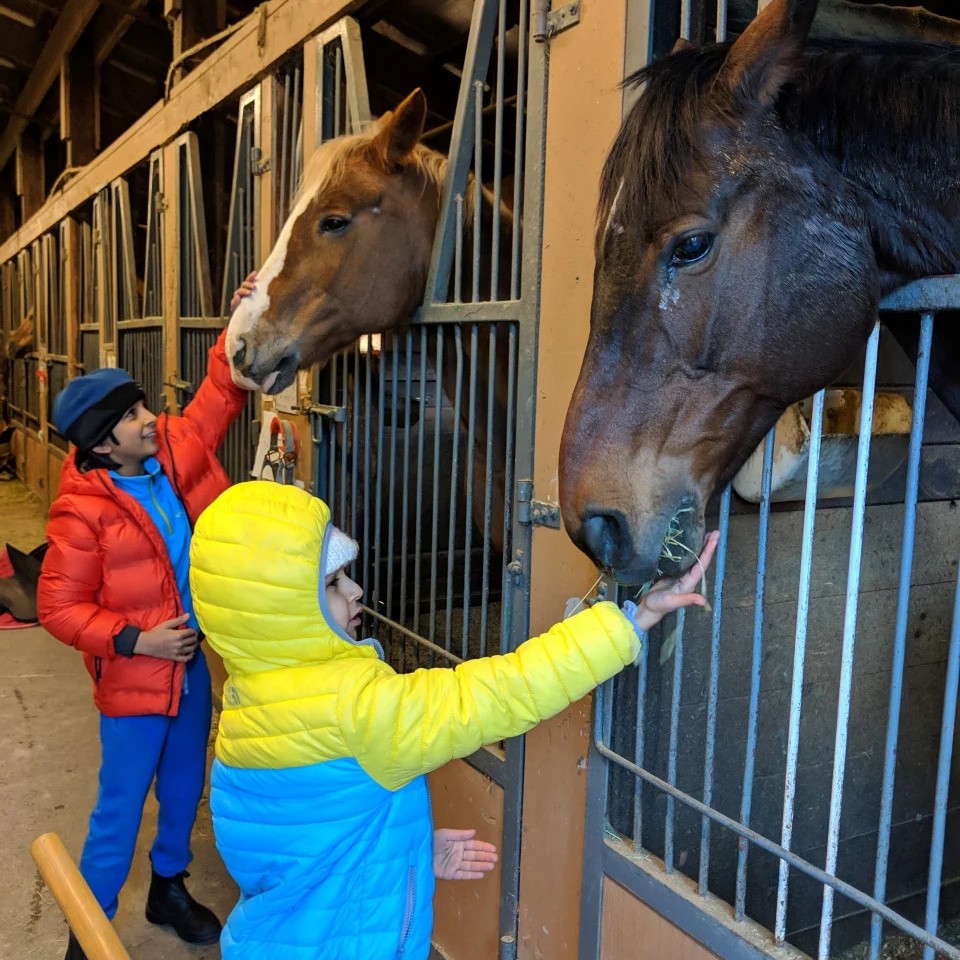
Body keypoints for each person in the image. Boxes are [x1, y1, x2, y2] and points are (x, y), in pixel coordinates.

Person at [190, 480, 719, 959]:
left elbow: (297, 853)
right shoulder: (359, 712)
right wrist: (633, 620)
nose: (354, 591)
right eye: (332, 582)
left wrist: (406, 852)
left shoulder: (245, 705)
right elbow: (502, 692)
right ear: (285, 613)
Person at [38, 322, 253, 960]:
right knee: (119, 810)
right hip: (135, 681)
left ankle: (168, 887)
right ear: (105, 444)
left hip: (188, 670)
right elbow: (56, 607)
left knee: (186, 786)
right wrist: (134, 640)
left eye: (142, 406)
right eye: (132, 415)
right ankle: (89, 931)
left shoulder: (168, 452)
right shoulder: (82, 513)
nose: (149, 418)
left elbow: (219, 394)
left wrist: (237, 322)